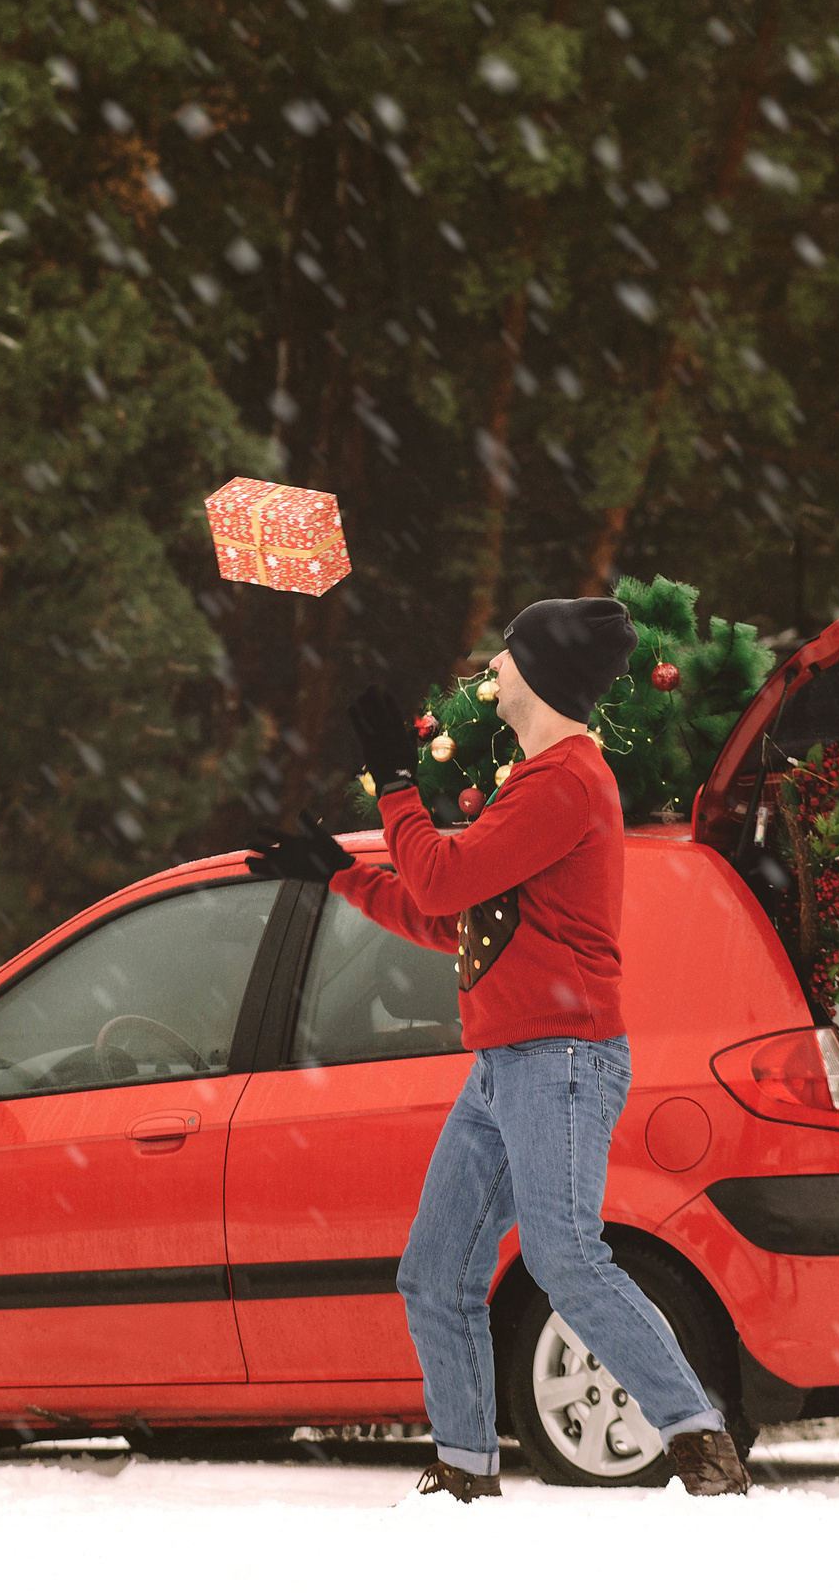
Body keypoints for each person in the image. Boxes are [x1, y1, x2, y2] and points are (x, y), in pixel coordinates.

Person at [248, 598, 751, 1501]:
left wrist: (398, 785)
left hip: (559, 1058)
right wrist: (338, 872)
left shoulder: (566, 780)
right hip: (508, 1064)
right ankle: (466, 1473)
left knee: (563, 1258)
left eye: (506, 658)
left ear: (543, 673)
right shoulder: (536, 782)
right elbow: (456, 919)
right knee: (435, 1274)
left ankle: (698, 1439)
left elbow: (443, 875)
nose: (492, 673)